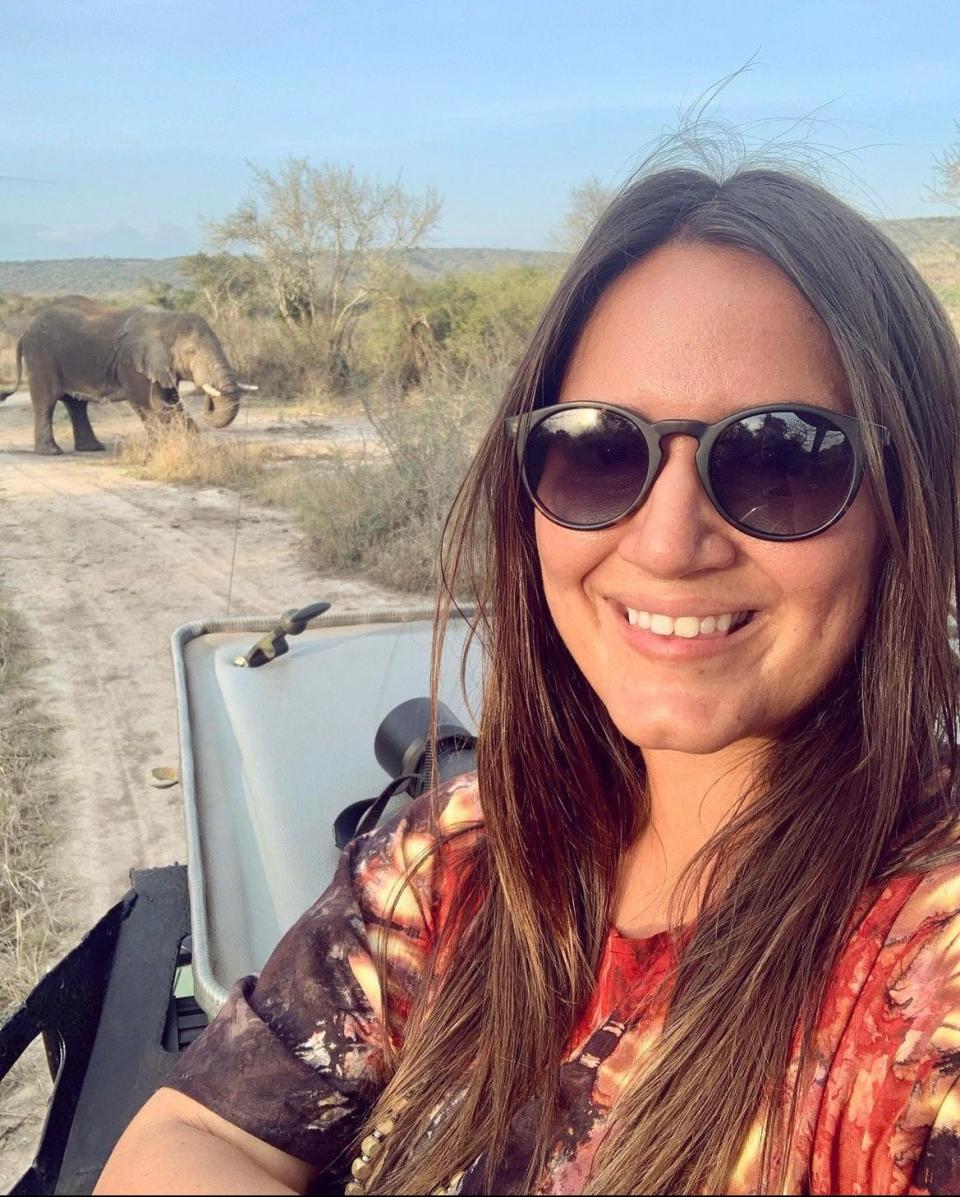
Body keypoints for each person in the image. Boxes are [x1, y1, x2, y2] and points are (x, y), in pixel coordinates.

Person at [96, 162, 960, 1196]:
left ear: (912, 506)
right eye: (598, 453)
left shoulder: (923, 968)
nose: (670, 541)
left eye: (783, 459)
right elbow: (197, 1139)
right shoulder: (462, 855)